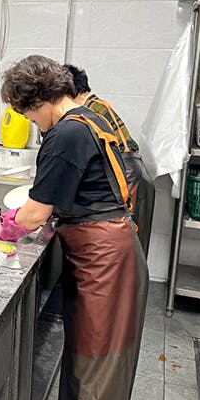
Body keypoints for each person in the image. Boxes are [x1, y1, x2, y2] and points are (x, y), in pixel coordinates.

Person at [0, 55, 148, 400]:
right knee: (91, 355)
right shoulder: (88, 118)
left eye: (28, 113)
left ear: (37, 100)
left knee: (97, 364)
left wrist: (5, 228)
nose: (32, 122)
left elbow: (35, 214)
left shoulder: (66, 132)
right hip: (108, 251)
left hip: (104, 259)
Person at [64, 64, 154, 256]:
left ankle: (129, 285)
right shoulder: (97, 104)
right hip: (134, 170)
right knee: (134, 246)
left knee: (128, 247)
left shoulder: (89, 111)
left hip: (127, 173)